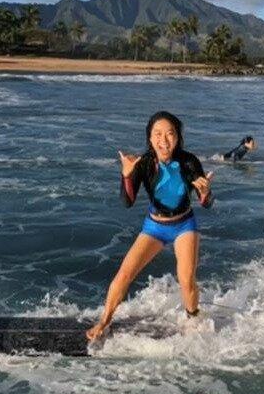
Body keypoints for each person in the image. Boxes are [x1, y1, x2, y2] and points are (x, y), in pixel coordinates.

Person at [86, 111, 214, 341]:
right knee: (124, 274)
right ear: (150, 138)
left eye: (170, 134)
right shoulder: (143, 163)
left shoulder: (189, 161)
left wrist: (205, 193)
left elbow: (206, 203)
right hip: (154, 226)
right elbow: (127, 202)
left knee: (186, 279)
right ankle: (104, 321)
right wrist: (126, 175)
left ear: (178, 137)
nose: (163, 140)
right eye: (158, 134)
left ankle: (193, 318)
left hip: (184, 224)